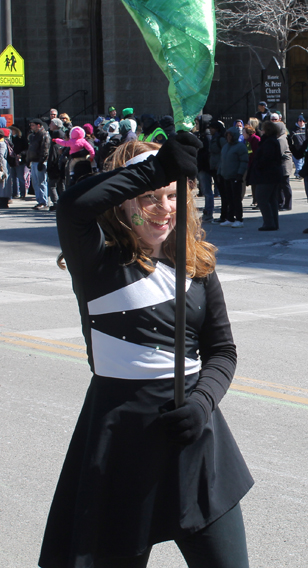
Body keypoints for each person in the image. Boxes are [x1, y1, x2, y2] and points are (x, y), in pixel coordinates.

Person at [38, 135, 253, 568]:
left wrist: (201, 402)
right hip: (120, 444)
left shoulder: (196, 265)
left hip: (195, 437)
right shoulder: (97, 262)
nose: (164, 208)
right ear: (120, 202)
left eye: (173, 195)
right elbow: (74, 206)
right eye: (149, 197)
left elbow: (223, 351)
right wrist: (154, 168)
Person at [249, 121, 283, 231]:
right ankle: (273, 223)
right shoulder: (272, 141)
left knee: (262, 198)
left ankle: (269, 223)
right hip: (272, 174)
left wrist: (258, 165)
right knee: (271, 199)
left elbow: (266, 159)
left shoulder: (269, 142)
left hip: (267, 175)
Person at [218, 127, 248, 227]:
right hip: (226, 175)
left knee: (236, 198)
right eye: (227, 135)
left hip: (235, 176)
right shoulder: (226, 146)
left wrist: (240, 174)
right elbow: (222, 161)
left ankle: (239, 219)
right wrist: (220, 172)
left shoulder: (240, 147)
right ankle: (230, 218)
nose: (228, 137)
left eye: (230, 135)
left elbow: (244, 161)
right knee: (228, 198)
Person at [27, 118, 51, 210]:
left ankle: (44, 202)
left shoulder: (44, 134)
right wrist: (28, 159)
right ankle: (39, 200)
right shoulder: (33, 135)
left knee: (41, 182)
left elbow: (45, 149)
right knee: (35, 183)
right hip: (33, 161)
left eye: (33, 125)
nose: (31, 127)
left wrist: (42, 161)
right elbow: (30, 148)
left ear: (38, 125)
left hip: (40, 161)